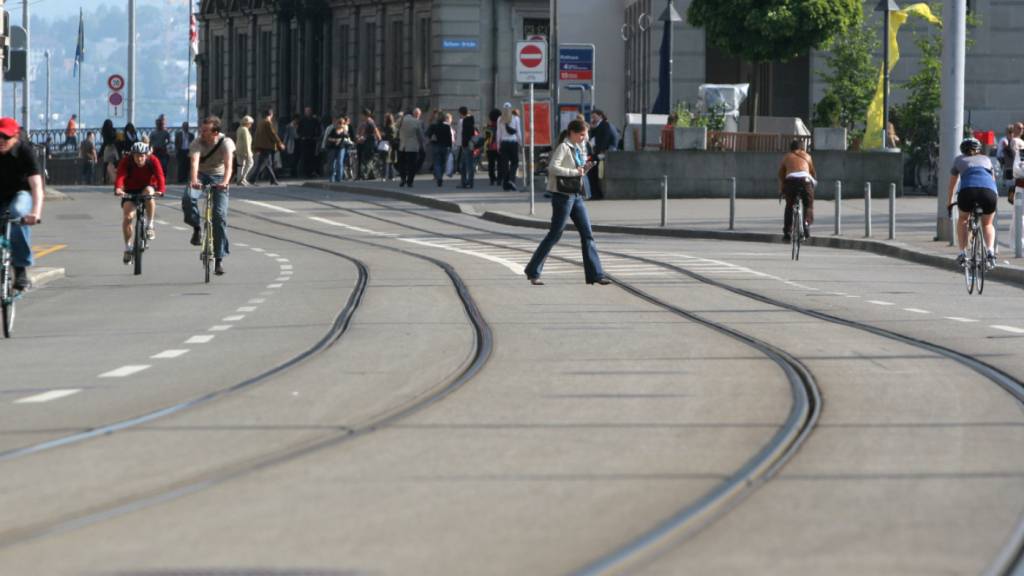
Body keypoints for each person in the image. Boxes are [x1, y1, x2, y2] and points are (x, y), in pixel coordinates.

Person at [524, 119, 610, 287]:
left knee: (587, 233)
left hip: (576, 195)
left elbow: (578, 169)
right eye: (582, 134)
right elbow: (552, 168)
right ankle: (533, 271)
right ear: (572, 133)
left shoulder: (578, 148)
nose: (584, 138)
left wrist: (585, 168)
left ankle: (596, 274)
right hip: (563, 196)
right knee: (555, 234)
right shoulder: (563, 147)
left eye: (585, 134)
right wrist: (574, 172)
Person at [184, 115, 235, 276]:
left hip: (219, 177)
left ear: (215, 132)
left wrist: (225, 183)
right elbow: (194, 163)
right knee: (188, 197)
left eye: (205, 130)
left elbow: (228, 166)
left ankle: (219, 259)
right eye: (201, 129)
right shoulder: (197, 142)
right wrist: (193, 181)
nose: (201, 132)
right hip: (200, 175)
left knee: (219, 215)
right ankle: (197, 227)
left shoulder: (226, 142)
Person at [0, 117, 45, 291]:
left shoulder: (26, 152)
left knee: (17, 212)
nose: (2, 141)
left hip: (21, 194)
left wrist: (36, 213)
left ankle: (20, 270)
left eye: (6, 137)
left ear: (16, 137)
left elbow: (36, 185)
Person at [948, 136, 999, 269]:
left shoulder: (959, 160)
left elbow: (952, 185)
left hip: (967, 191)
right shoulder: (986, 159)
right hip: (989, 192)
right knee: (987, 223)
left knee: (963, 219)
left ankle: (962, 253)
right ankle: (990, 252)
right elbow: (992, 181)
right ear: (978, 149)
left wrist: (949, 202)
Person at [114, 141, 166, 264]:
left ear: (147, 154)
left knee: (149, 193)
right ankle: (127, 248)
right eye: (137, 155)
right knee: (127, 217)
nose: (140, 158)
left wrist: (161, 190)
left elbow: (160, 175)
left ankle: (150, 225)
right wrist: (118, 188)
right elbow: (120, 175)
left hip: (147, 187)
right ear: (132, 155)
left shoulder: (153, 160)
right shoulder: (127, 161)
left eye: (142, 155)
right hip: (130, 190)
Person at [778, 139, 817, 241]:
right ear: (802, 148)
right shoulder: (807, 156)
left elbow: (781, 175)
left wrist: (782, 190)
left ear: (791, 148)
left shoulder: (787, 157)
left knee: (789, 206)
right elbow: (812, 173)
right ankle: (806, 224)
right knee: (808, 204)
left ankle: (788, 232)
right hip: (805, 181)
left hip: (790, 182)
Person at [588, 109, 619, 200]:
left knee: (592, 170)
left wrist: (599, 152)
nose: (592, 119)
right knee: (593, 171)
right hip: (602, 152)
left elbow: (604, 140)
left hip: (604, 152)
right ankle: (596, 193)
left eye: (594, 116)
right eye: (592, 117)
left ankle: (596, 194)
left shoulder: (605, 125)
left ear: (600, 116)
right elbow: (592, 137)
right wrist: (592, 128)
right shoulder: (601, 125)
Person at [252, 108, 285, 185]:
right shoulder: (268, 123)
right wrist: (280, 143)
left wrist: (256, 146)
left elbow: (257, 135)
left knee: (264, 163)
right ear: (271, 114)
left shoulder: (261, 123)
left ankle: (254, 179)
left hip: (262, 146)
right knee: (266, 163)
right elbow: (273, 134)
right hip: (267, 147)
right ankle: (272, 180)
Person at [397, 108, 425, 188]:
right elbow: (420, 135)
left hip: (402, 146)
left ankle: (403, 178)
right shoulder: (416, 121)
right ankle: (410, 181)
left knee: (401, 164)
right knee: (411, 164)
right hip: (413, 147)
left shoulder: (401, 120)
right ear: (412, 114)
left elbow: (395, 127)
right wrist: (423, 143)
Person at [497, 102, 522, 191]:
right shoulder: (515, 118)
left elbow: (498, 133)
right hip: (513, 142)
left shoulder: (500, 119)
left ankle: (505, 184)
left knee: (504, 164)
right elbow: (518, 132)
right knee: (515, 162)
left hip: (503, 143)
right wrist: (521, 142)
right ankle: (511, 180)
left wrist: (498, 144)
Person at [427, 111, 453, 187]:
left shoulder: (434, 126)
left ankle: (438, 177)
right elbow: (449, 137)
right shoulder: (447, 126)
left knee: (437, 162)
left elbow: (427, 134)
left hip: (436, 146)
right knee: (442, 163)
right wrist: (450, 147)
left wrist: (431, 138)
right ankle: (440, 176)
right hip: (445, 146)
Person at [323, 116, 351, 183]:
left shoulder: (345, 131)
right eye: (340, 123)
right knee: (332, 163)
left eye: (343, 123)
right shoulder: (333, 129)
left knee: (340, 163)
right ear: (337, 123)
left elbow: (348, 138)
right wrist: (335, 140)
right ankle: (331, 177)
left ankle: (339, 178)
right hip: (332, 148)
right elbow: (328, 138)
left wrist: (347, 140)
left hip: (341, 148)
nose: (341, 124)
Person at [356, 109, 381, 180]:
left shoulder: (370, 122)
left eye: (362, 115)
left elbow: (376, 132)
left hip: (370, 143)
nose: (361, 116)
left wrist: (379, 140)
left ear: (365, 115)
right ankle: (371, 175)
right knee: (369, 159)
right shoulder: (367, 122)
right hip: (369, 142)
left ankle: (365, 174)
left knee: (367, 159)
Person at [297, 106, 320, 178]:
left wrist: (316, 136)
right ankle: (304, 173)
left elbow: (318, 129)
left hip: (312, 140)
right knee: (304, 157)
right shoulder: (302, 120)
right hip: (304, 141)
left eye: (309, 111)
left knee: (312, 157)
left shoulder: (315, 120)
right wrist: (302, 137)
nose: (308, 112)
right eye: (307, 111)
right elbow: (298, 130)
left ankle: (311, 172)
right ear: (305, 112)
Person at [458, 106, 476, 189]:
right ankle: (469, 181)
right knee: (470, 164)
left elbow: (462, 134)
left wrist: (461, 144)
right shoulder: (472, 120)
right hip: (471, 144)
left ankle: (465, 182)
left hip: (465, 144)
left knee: (464, 164)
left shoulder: (462, 121)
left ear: (461, 113)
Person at [149, 115, 172, 179]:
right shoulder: (153, 133)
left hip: (163, 151)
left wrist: (164, 145)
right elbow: (150, 143)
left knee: (163, 166)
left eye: (160, 124)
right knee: (154, 166)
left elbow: (169, 141)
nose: (159, 125)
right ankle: (155, 179)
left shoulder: (165, 132)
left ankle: (163, 178)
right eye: (158, 124)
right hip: (155, 151)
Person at [235, 115, 254, 186]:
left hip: (239, 150)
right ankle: (242, 178)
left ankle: (240, 180)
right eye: (250, 123)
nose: (251, 125)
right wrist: (249, 153)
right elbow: (246, 142)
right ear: (247, 123)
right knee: (250, 163)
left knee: (240, 165)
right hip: (244, 150)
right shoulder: (245, 130)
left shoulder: (239, 128)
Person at [100, 119, 121, 184]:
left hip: (107, 148)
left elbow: (105, 142)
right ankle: (118, 176)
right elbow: (116, 138)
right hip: (114, 147)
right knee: (117, 161)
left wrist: (100, 152)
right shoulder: (113, 130)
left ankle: (104, 178)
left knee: (105, 163)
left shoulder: (103, 132)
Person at [381, 113, 398, 182]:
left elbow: (387, 136)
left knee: (386, 161)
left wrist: (383, 135)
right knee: (391, 162)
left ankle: (384, 176)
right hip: (393, 145)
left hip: (387, 145)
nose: (384, 119)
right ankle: (392, 176)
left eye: (385, 118)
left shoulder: (387, 127)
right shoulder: (394, 126)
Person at [485, 108, 500, 186]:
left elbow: (486, 139)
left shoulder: (489, 127)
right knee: (500, 163)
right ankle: (499, 178)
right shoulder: (500, 126)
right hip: (499, 147)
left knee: (491, 164)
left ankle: (492, 179)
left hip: (490, 148)